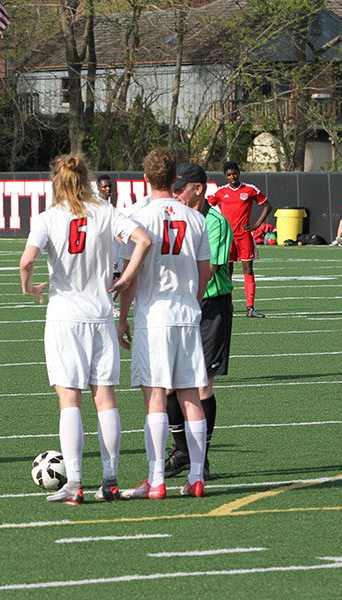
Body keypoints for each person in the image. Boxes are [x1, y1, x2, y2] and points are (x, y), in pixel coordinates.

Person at [19, 154, 151, 505]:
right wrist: (124, 279)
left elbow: (27, 260)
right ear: (86, 179)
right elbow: (144, 240)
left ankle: (75, 483)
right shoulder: (105, 211)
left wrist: (28, 286)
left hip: (65, 318)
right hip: (101, 316)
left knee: (69, 400)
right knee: (105, 399)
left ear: (57, 182)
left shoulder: (48, 217)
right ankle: (110, 481)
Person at [117, 148, 212, 499]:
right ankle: (197, 476)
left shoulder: (136, 215)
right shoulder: (196, 217)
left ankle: (156, 479)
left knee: (155, 396)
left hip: (153, 316)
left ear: (145, 178)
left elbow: (130, 277)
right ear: (175, 179)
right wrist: (192, 302)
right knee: (190, 394)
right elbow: (205, 272)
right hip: (186, 314)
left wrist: (122, 317)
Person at [163, 163, 233, 481]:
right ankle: (181, 451)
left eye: (181, 188)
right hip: (180, 306)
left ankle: (200, 458)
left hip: (209, 306)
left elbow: (211, 268)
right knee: (168, 383)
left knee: (202, 383)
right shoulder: (174, 219)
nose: (175, 193)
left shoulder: (214, 221)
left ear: (199, 189)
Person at [209, 161, 271, 318]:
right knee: (226, 271)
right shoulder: (220, 192)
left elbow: (267, 206)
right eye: (229, 175)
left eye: (234, 173)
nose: (232, 177)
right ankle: (226, 305)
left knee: (248, 269)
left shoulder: (250, 189)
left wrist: (256, 224)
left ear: (239, 173)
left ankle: (250, 308)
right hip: (227, 236)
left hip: (244, 236)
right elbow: (207, 207)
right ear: (225, 176)